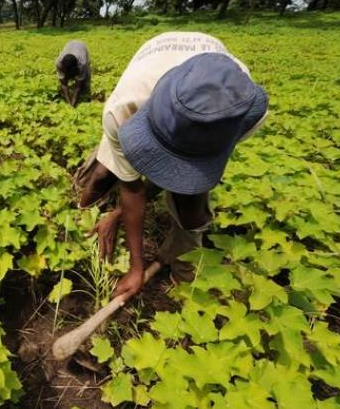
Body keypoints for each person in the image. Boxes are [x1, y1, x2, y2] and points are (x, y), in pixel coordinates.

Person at [77, 32, 268, 298]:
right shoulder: (123, 108)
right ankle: (78, 221)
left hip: (211, 112)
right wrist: (135, 266)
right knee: (100, 175)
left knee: (191, 205)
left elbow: (174, 176)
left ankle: (185, 271)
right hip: (149, 75)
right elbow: (132, 189)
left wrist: (120, 214)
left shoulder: (238, 110)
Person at [56, 40, 91, 107]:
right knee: (64, 81)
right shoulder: (58, 63)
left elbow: (78, 87)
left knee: (85, 83)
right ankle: (69, 101)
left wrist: (73, 105)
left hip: (81, 47)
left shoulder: (82, 63)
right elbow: (64, 85)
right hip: (70, 44)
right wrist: (69, 106)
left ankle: (86, 100)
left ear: (76, 67)